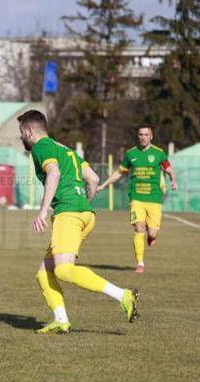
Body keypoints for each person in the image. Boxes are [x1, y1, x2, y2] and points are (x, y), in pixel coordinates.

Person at [18, 110, 138, 335]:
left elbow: (53, 174)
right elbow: (93, 179)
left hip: (69, 214)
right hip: (85, 214)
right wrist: (84, 201)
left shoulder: (41, 147)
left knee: (63, 270)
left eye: (21, 133)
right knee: (44, 273)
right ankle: (61, 320)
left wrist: (43, 211)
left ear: (30, 131)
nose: (21, 137)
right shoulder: (66, 150)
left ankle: (123, 295)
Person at [97, 124, 177, 273]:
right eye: (140, 134)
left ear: (151, 136)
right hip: (136, 198)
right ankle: (140, 263)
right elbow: (119, 172)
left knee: (152, 233)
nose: (143, 137)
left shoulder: (159, 153)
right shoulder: (130, 154)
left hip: (154, 199)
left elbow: (169, 169)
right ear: (138, 136)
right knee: (138, 227)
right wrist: (104, 185)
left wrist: (173, 180)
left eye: (146, 135)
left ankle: (151, 237)